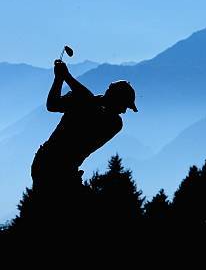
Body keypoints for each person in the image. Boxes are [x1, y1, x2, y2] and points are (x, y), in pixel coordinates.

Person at [31, 60, 137, 190]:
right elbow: (52, 105)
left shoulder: (114, 123)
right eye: (124, 105)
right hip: (54, 167)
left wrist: (64, 77)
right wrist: (60, 78)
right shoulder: (90, 104)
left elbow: (87, 104)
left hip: (52, 165)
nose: (124, 111)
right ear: (115, 100)